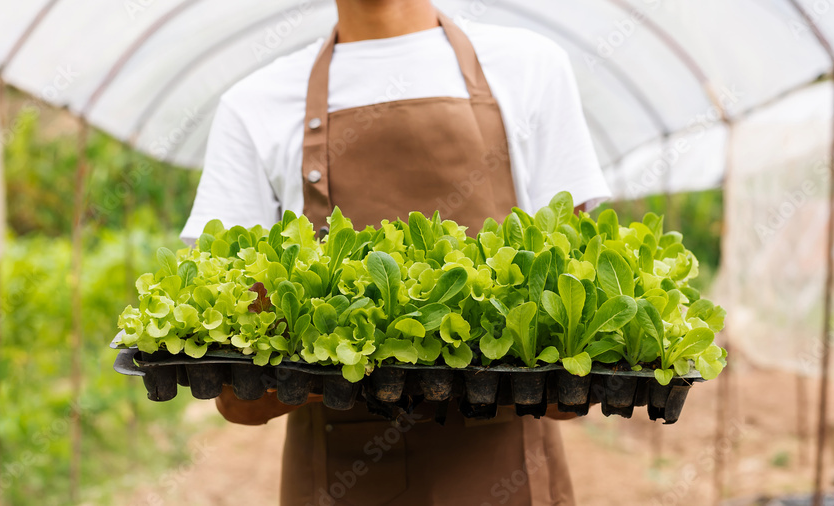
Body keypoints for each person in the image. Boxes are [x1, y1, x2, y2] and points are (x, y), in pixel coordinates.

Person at [181, 1, 611, 504]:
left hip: (509, 472)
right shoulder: (255, 103)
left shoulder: (530, 66)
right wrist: (336, 371)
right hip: (337, 476)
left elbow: (574, 337)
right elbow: (240, 398)